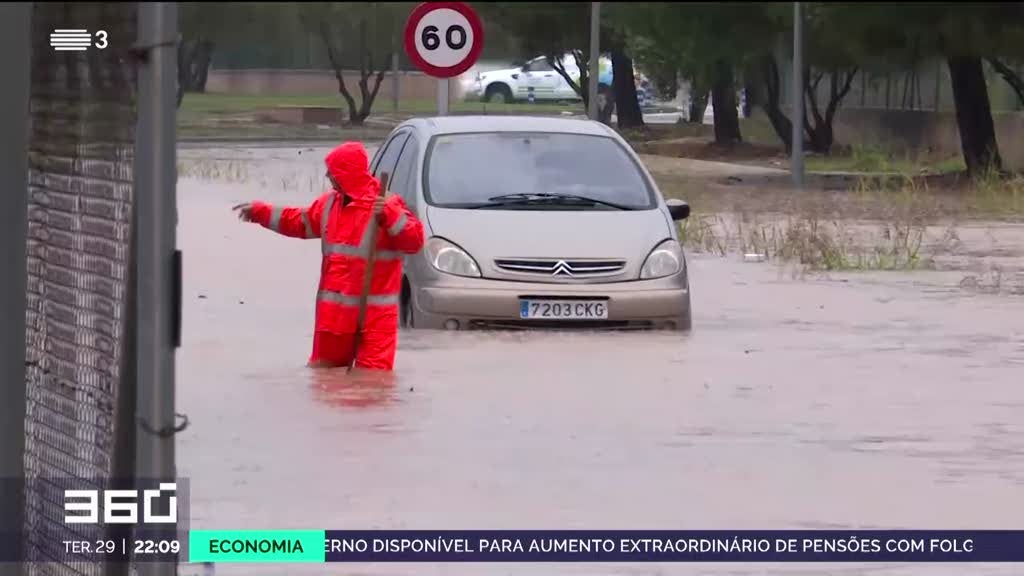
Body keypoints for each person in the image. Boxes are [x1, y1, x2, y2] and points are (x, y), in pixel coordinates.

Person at [232, 142, 425, 371]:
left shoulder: (386, 205)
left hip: (374, 322)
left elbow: (414, 242)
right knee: (322, 382)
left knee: (373, 388)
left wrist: (390, 216)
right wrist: (260, 212)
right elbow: (297, 221)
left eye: (332, 172)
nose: (327, 176)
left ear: (347, 173)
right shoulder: (329, 205)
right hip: (333, 320)